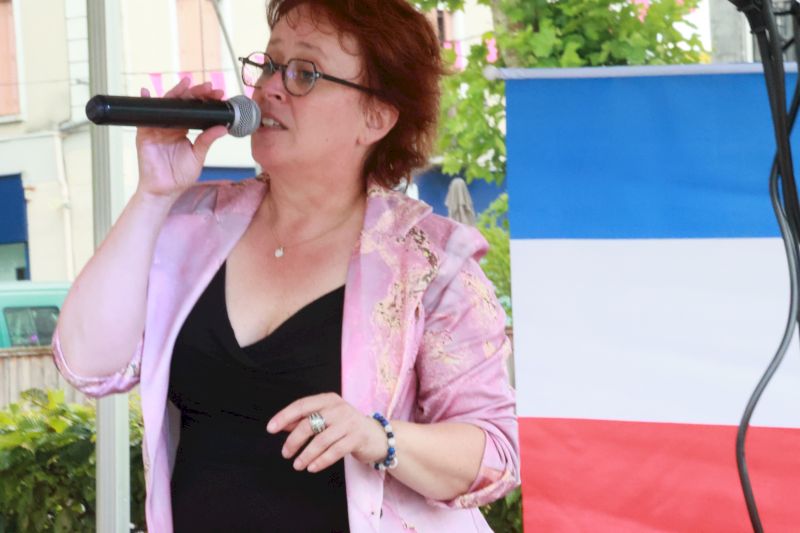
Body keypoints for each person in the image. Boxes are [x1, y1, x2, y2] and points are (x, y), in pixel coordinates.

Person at [52, 0, 519, 531]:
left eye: (305, 73)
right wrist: (154, 192)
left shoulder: (429, 261)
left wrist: (378, 436)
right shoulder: (193, 223)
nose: (270, 87)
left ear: (376, 117)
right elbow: (87, 365)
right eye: (269, 65)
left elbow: (496, 456)